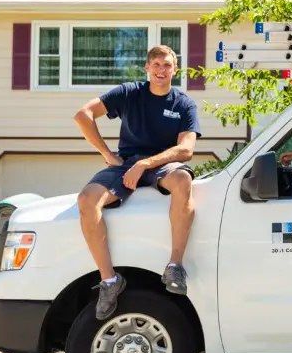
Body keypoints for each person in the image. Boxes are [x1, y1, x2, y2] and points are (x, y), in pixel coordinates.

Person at [73, 45, 201, 320]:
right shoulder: (129, 92)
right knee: (86, 200)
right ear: (147, 68)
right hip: (125, 162)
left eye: (167, 65)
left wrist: (146, 164)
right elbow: (82, 115)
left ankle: (175, 266)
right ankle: (109, 281)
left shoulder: (184, 104)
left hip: (162, 164)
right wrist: (107, 154)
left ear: (175, 70)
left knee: (182, 179)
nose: (161, 70)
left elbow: (186, 149)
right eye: (156, 65)